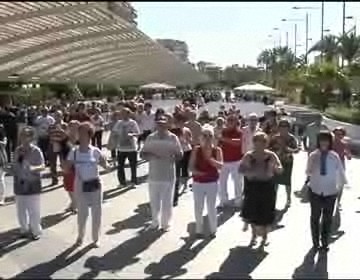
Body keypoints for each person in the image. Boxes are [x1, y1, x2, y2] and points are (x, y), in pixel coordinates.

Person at [65, 122, 109, 247]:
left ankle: (96, 238)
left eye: (83, 132)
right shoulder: (74, 152)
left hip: (95, 184)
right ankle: (80, 237)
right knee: (82, 213)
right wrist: (65, 166)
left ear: (89, 135)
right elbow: (66, 168)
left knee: (97, 212)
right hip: (80, 185)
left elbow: (106, 167)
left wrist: (107, 164)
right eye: (80, 132)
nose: (81, 135)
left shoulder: (95, 151)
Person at [239, 132, 283, 248]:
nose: (260, 144)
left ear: (266, 143)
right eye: (257, 141)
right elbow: (240, 169)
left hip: (267, 186)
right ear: (254, 143)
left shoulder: (271, 155)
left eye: (263, 142)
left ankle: (264, 237)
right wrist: (247, 171)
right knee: (252, 212)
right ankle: (253, 236)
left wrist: (276, 168)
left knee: (266, 213)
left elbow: (280, 168)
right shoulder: (249, 155)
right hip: (252, 186)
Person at [306, 131, 347, 251]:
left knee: (327, 219)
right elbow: (308, 172)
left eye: (327, 140)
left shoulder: (334, 156)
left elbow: (340, 172)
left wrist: (340, 187)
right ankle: (315, 242)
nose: (324, 143)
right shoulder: (313, 155)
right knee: (315, 217)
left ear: (330, 142)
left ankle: (325, 242)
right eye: (322, 140)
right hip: (315, 190)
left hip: (330, 191)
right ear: (318, 141)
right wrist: (313, 165)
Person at [140, 115, 183, 231]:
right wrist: (151, 156)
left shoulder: (173, 138)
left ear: (167, 125)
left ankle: (166, 224)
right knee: (154, 201)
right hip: (154, 174)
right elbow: (142, 154)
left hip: (168, 174)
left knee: (167, 201)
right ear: (156, 125)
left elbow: (180, 154)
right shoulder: (150, 138)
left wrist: (174, 157)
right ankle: (155, 222)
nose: (161, 126)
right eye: (159, 124)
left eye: (163, 124)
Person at [189, 125, 223, 239]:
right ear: (201, 137)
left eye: (210, 135)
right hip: (198, 182)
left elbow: (221, 166)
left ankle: (213, 230)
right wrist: (198, 173)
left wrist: (211, 160)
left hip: (212, 182)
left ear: (213, 137)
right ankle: (199, 230)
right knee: (198, 206)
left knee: (211, 207)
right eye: (205, 135)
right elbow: (190, 167)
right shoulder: (196, 149)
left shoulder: (217, 150)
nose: (207, 138)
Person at [13, 127, 45, 240]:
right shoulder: (17, 150)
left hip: (33, 184)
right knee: (21, 209)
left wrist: (33, 168)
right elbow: (15, 166)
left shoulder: (36, 150)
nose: (23, 137)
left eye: (26, 135)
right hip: (19, 184)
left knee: (34, 210)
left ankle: (36, 231)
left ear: (31, 137)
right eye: (22, 135)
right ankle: (24, 229)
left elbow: (42, 166)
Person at [295, 115, 328, 199]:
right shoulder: (310, 127)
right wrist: (305, 146)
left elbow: (328, 137)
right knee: (311, 165)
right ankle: (309, 180)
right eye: (318, 119)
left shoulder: (324, 127)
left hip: (322, 149)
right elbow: (304, 136)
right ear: (315, 119)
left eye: (320, 119)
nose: (319, 121)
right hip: (312, 148)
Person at [269, 119, 299, 207]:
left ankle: (289, 198)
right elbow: (269, 148)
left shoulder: (292, 138)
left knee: (287, 181)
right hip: (277, 161)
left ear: (288, 128)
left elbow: (296, 150)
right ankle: (273, 198)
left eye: (285, 127)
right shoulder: (274, 137)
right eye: (281, 126)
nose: (283, 128)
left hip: (287, 162)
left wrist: (288, 149)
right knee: (275, 181)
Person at [218, 114, 243, 208]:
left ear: (236, 122)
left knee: (237, 182)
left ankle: (238, 201)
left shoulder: (239, 132)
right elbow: (219, 144)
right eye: (229, 120)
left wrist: (224, 139)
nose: (230, 122)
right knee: (222, 182)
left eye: (232, 121)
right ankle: (223, 200)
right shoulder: (223, 132)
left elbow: (238, 143)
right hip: (223, 161)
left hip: (236, 161)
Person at [112, 108, 140, 187]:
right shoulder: (119, 123)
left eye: (125, 113)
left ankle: (133, 182)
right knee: (120, 166)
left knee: (133, 165)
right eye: (122, 113)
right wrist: (116, 137)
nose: (123, 115)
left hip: (131, 148)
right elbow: (114, 133)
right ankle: (122, 182)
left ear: (128, 114)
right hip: (121, 148)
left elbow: (138, 133)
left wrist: (132, 135)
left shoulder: (133, 123)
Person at [332, 127, 351, 210]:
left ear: (343, 136)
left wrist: (347, 154)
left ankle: (338, 202)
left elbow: (349, 157)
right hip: (331, 166)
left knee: (340, 186)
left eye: (340, 135)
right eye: (336, 134)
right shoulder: (330, 143)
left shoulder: (344, 144)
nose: (338, 136)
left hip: (341, 167)